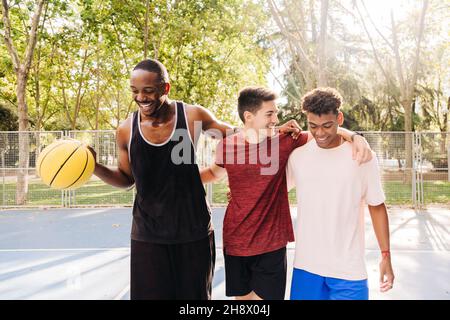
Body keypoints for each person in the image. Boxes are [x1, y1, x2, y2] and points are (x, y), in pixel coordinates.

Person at [89, 59, 301, 300]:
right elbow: (126, 179)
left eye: (148, 90)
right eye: (135, 91)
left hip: (193, 232)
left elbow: (237, 136)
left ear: (165, 88)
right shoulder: (126, 129)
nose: (141, 97)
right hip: (148, 235)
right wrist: (93, 166)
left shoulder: (191, 116)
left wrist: (273, 129)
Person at [200, 86, 373, 300]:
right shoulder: (226, 146)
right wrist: (177, 178)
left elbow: (325, 132)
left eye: (276, 113)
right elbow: (213, 173)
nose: (276, 118)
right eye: (270, 113)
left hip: (271, 243)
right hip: (236, 242)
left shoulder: (286, 141)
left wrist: (356, 136)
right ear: (249, 116)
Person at [287, 87, 395, 300]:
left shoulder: (362, 157)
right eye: (313, 126)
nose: (320, 133)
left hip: (349, 271)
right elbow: (274, 191)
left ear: (339, 118)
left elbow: (376, 206)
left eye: (327, 125)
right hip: (306, 267)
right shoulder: (297, 157)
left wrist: (386, 256)